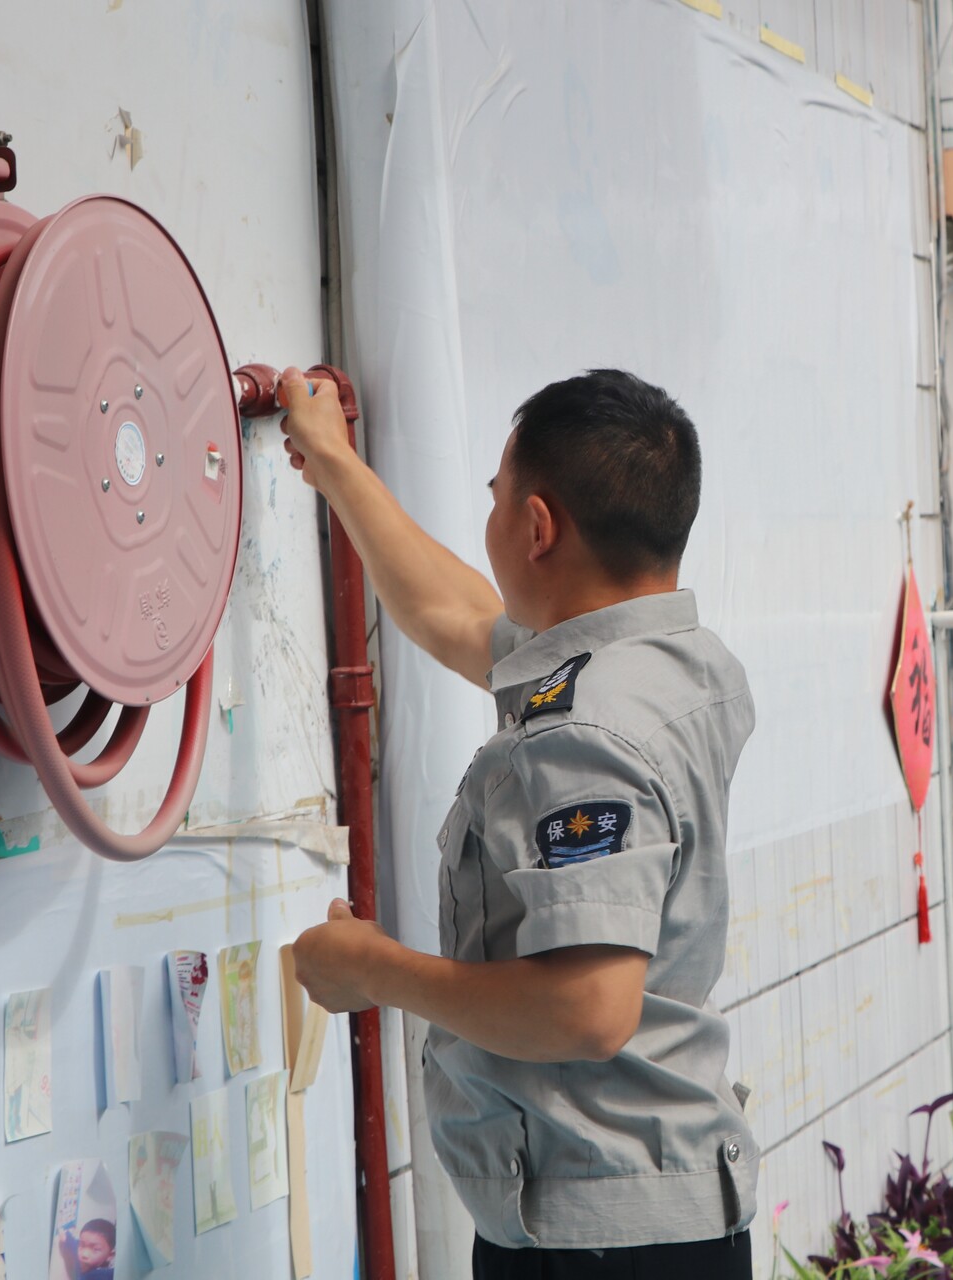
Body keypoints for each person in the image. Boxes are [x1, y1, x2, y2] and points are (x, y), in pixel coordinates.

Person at [283, 368, 756, 1279]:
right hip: (649, 1209)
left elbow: (586, 1010)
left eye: (497, 499)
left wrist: (371, 969)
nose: (489, 519)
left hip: (599, 1235)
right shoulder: (671, 662)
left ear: (539, 528)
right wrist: (335, 463)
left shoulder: (585, 729)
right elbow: (452, 613)